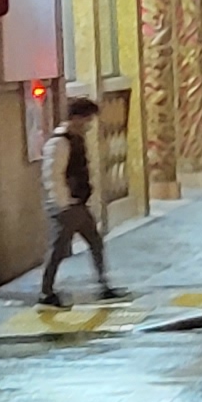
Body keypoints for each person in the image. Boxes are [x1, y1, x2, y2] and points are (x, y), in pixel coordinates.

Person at [39, 96, 123, 305]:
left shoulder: (76, 139)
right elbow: (53, 176)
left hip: (78, 204)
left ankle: (103, 284)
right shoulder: (59, 142)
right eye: (87, 119)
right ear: (76, 117)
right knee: (58, 250)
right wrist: (64, 203)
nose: (89, 124)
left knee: (95, 242)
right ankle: (46, 292)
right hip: (66, 206)